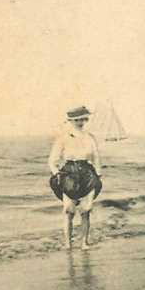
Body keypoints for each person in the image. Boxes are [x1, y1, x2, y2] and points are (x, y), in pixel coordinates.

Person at [48, 105, 103, 250]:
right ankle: (68, 244)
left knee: (86, 210)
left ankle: (84, 243)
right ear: (70, 121)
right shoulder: (62, 138)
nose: (81, 122)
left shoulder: (90, 138)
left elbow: (96, 157)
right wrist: (57, 174)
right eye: (77, 119)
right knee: (68, 210)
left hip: (87, 173)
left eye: (83, 119)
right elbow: (52, 160)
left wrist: (98, 174)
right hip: (69, 173)